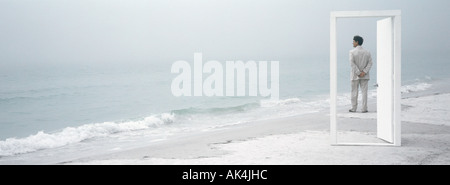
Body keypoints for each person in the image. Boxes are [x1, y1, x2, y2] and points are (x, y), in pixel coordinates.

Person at [349, 35, 373, 113]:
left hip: (355, 75)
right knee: (364, 92)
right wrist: (364, 72)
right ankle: (364, 108)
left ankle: (353, 108)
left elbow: (352, 64)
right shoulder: (367, 52)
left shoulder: (352, 52)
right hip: (364, 75)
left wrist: (358, 73)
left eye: (353, 41)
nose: (352, 43)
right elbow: (370, 63)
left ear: (357, 42)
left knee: (354, 92)